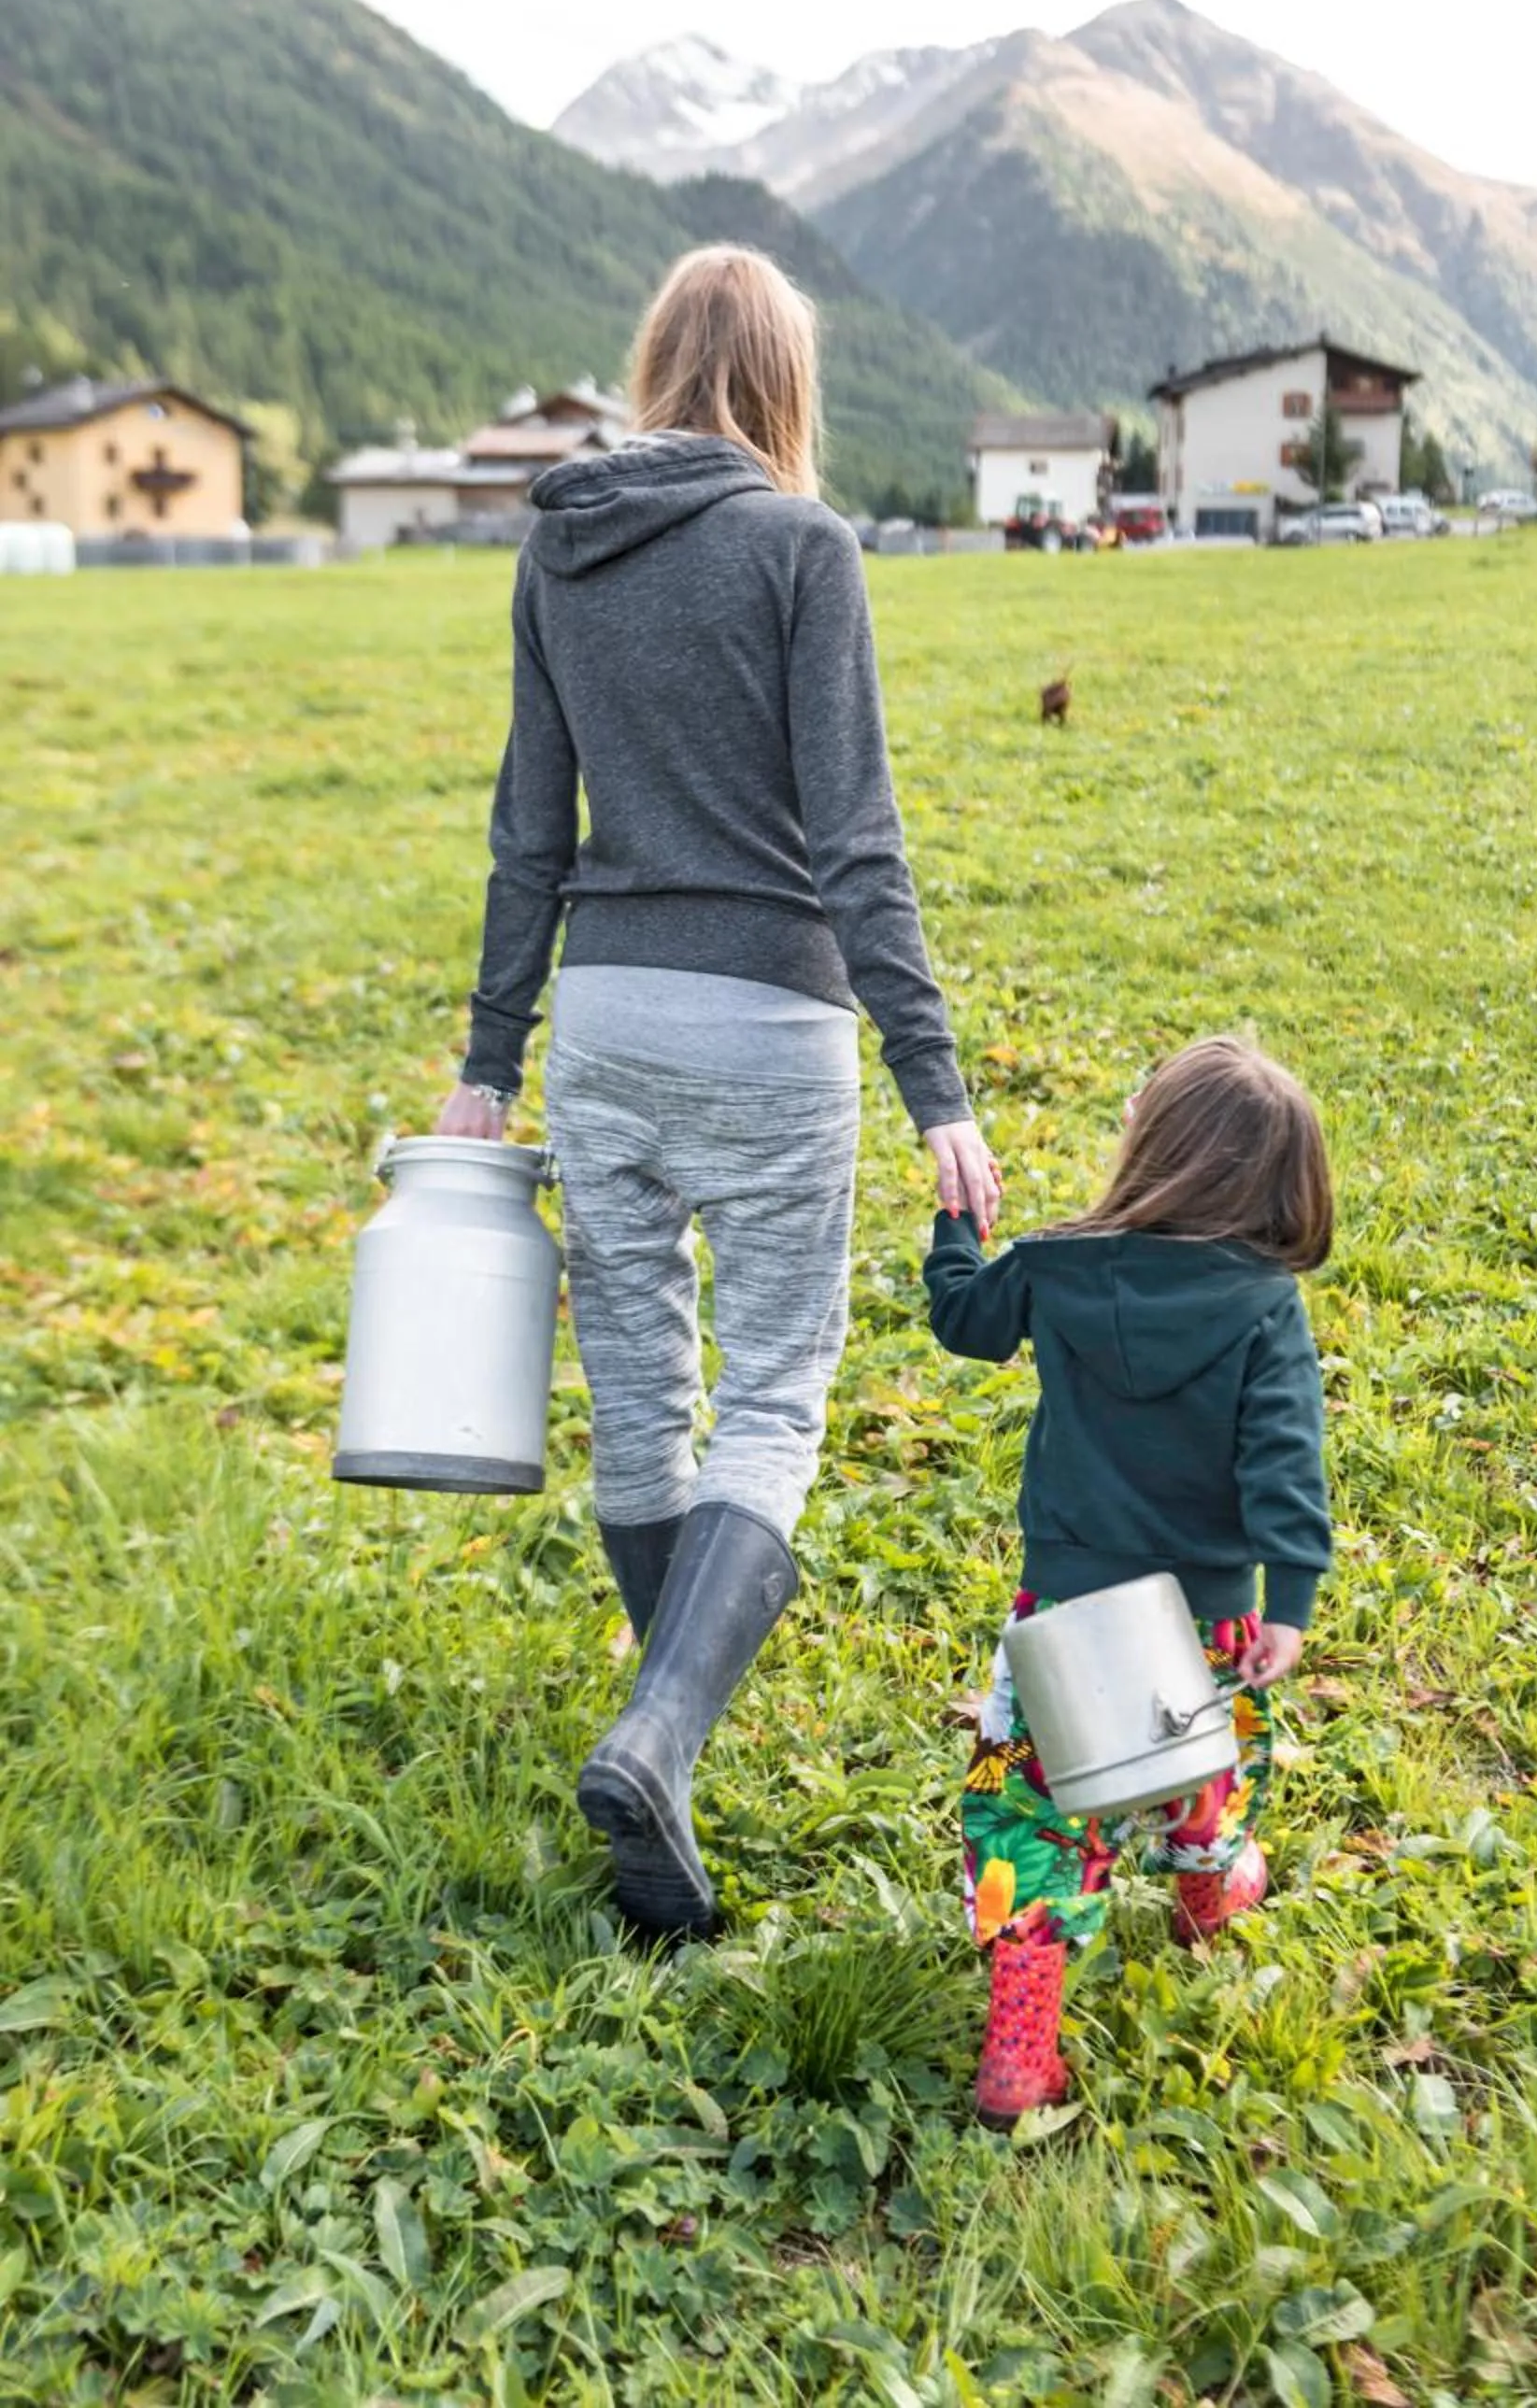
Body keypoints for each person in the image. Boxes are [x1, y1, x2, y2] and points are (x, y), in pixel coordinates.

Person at [438, 244, 1000, 1943]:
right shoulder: (803, 548)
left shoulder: (560, 547)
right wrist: (936, 1085)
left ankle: (653, 1733)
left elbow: (529, 825)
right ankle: (660, 1734)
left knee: (639, 1386)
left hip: (604, 1022)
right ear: (784, 379)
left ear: (659, 360)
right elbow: (857, 841)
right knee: (774, 1391)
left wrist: (488, 1059)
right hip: (768, 1027)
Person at [923, 1036, 1333, 2128]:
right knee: (1200, 1749)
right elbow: (1284, 1459)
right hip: (1206, 1607)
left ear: (1149, 1146)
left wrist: (956, 1229)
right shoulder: (1263, 1308)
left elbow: (963, 1323)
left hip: (1065, 1604)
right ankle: (1206, 1890)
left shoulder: (1055, 1265)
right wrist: (1287, 1599)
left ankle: (1021, 2040)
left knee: (1033, 1807)